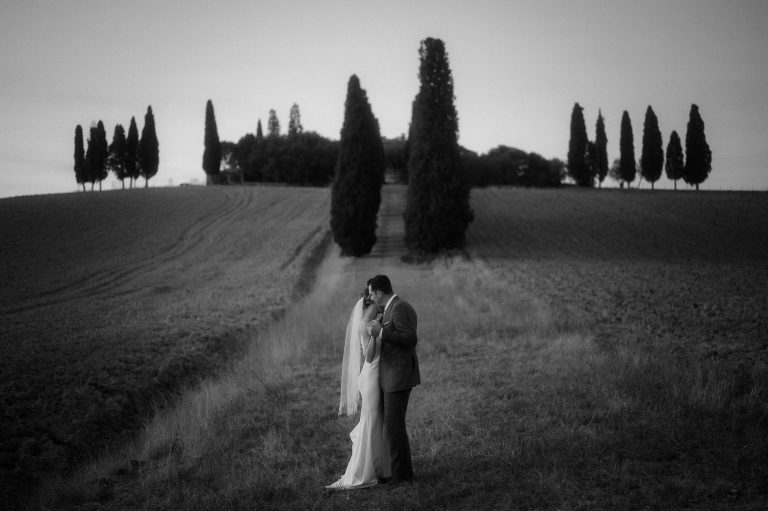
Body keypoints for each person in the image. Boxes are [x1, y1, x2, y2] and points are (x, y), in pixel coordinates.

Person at [325, 286, 391, 490]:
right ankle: (363, 471)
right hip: (371, 376)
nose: (379, 305)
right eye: (374, 300)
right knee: (370, 422)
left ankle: (379, 467)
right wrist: (375, 334)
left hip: (373, 375)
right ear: (368, 303)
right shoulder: (366, 325)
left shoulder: (371, 321)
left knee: (375, 421)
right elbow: (370, 357)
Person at [366, 274, 420, 484]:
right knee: (393, 427)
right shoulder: (388, 309)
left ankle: (403, 477)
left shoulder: (400, 307)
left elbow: (410, 338)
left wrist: (382, 332)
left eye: (372, 294)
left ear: (379, 292)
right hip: (390, 376)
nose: (371, 299)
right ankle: (401, 474)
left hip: (399, 376)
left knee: (394, 428)